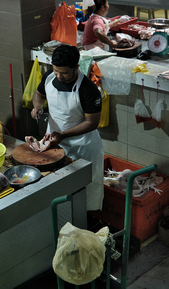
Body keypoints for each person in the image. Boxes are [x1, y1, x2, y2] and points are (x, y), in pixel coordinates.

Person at [30, 44, 104, 211]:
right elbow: (39, 94)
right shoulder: (49, 76)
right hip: (54, 143)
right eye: (56, 71)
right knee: (58, 188)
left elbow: (92, 122)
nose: (59, 76)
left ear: (76, 67)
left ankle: (87, 223)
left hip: (82, 147)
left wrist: (63, 134)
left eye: (64, 73)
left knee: (85, 190)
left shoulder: (88, 89)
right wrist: (38, 107)